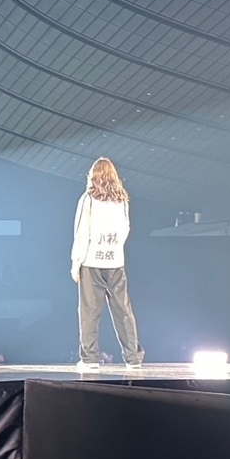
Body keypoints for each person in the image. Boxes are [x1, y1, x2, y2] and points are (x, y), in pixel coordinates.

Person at [70, 157, 144, 369]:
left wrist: (76, 262)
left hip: (91, 262)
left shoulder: (88, 199)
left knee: (89, 312)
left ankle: (90, 359)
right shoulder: (122, 200)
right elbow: (125, 229)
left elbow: (82, 232)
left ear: (93, 175)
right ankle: (133, 358)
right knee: (123, 310)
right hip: (115, 261)